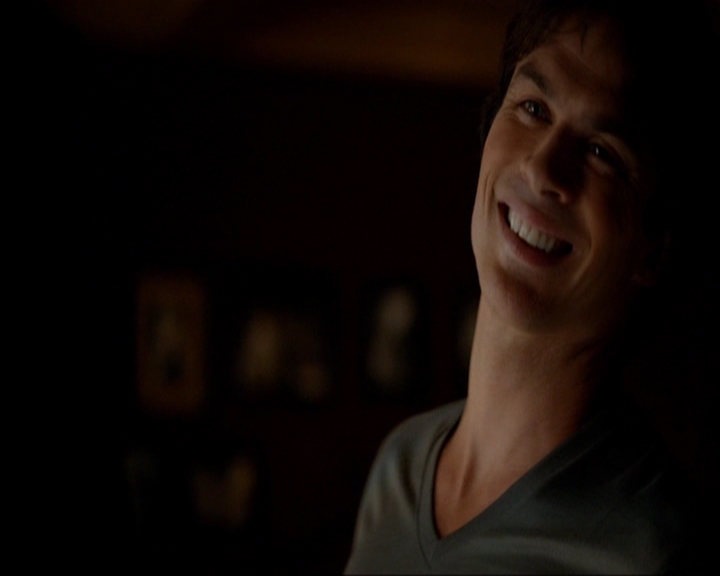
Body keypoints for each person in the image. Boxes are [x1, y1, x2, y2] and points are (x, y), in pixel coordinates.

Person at [345, 0, 716, 573]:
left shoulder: (651, 551)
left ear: (654, 250)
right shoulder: (400, 465)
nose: (544, 169)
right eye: (534, 108)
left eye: (602, 152)